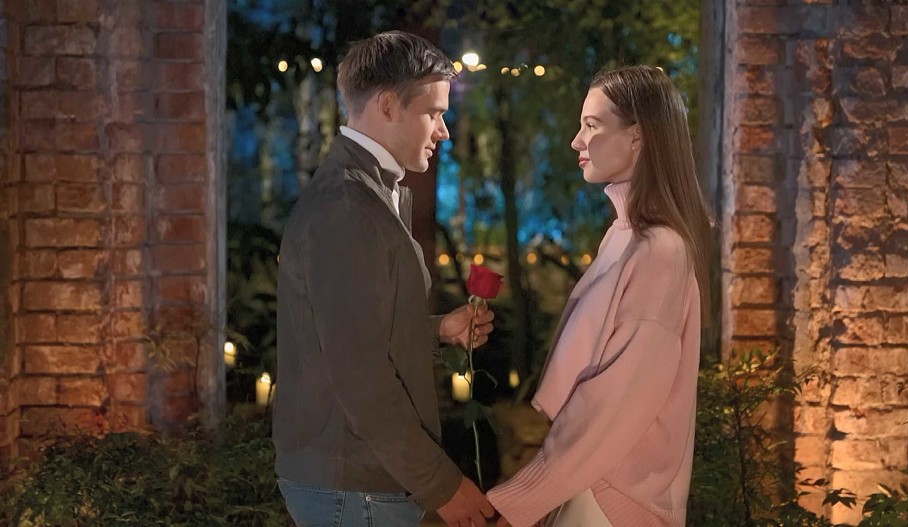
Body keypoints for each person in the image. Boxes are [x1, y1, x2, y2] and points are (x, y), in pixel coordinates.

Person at [274, 31, 496, 527]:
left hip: (358, 480)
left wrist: (435, 331)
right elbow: (360, 374)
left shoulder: (367, 194)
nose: (443, 132)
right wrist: (441, 484)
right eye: (434, 113)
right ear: (389, 105)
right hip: (355, 484)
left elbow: (353, 334)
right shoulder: (348, 206)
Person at [487, 66, 712, 527]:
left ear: (637, 136)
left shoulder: (660, 250)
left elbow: (618, 399)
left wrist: (525, 499)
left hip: (614, 496)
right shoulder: (624, 236)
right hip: (591, 484)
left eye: (592, 125)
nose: (576, 141)